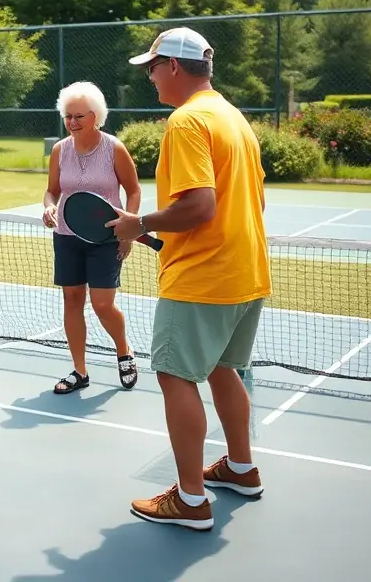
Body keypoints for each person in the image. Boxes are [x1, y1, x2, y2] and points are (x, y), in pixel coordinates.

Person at [108, 27, 271, 531]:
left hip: (203, 278)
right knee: (224, 369)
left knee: (176, 376)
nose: (150, 77)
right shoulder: (233, 117)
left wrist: (142, 224)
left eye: (152, 67)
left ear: (173, 67)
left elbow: (199, 206)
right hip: (246, 272)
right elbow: (251, 201)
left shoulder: (186, 121)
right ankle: (241, 468)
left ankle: (191, 499)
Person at [42, 81, 142, 394]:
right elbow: (52, 191)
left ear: (95, 116)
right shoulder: (59, 150)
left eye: (79, 117)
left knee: (101, 304)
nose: (72, 122)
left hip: (105, 239)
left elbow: (134, 190)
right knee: (72, 300)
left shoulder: (114, 148)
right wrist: (48, 208)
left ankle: (124, 350)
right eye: (67, 116)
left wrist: (128, 227)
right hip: (67, 236)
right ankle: (79, 371)